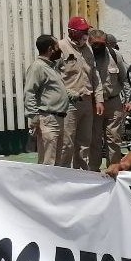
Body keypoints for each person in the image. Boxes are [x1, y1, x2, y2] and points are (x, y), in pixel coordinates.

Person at [57, 15, 105, 169]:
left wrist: (99, 99)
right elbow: (54, 77)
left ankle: (81, 175)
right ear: (72, 32)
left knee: (84, 143)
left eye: (86, 31)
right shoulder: (60, 47)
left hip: (86, 103)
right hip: (68, 104)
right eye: (83, 31)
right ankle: (63, 174)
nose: (86, 34)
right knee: (67, 143)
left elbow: (95, 76)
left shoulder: (88, 50)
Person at [22, 35, 71, 165]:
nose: (59, 50)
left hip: (58, 118)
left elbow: (54, 90)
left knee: (57, 159)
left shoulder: (50, 67)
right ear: (50, 49)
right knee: (48, 160)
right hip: (48, 119)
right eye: (57, 47)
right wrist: (33, 116)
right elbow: (29, 92)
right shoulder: (38, 67)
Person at [90, 29, 131, 168]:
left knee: (114, 139)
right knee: (94, 141)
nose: (98, 47)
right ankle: (93, 173)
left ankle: (113, 170)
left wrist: (129, 100)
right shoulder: (86, 56)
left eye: (101, 44)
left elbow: (125, 79)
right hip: (93, 105)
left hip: (113, 103)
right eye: (95, 44)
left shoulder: (115, 55)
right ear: (89, 42)